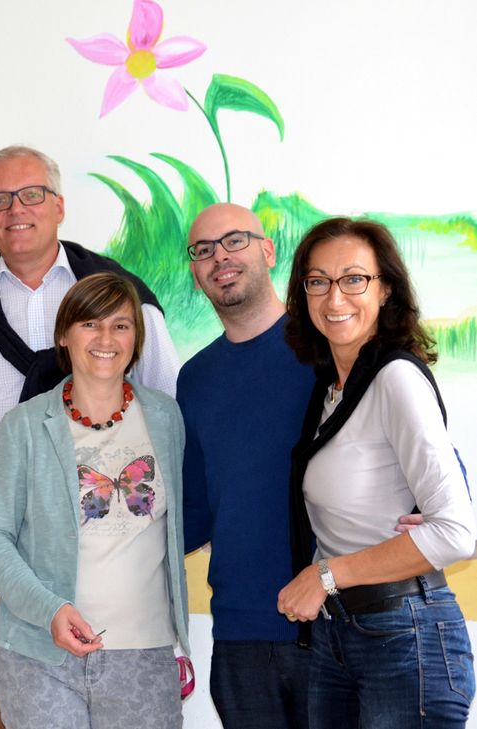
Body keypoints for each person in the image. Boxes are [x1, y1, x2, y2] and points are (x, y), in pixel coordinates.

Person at [0, 144, 179, 729]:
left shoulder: (121, 294)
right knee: (1, 695)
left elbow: (168, 408)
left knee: (119, 694)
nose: (16, 210)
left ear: (59, 205)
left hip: (112, 532)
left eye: (31, 194)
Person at [278, 217, 476, 728]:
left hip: (406, 636)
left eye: (353, 279)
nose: (334, 297)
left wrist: (324, 575)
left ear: (385, 289)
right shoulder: (331, 391)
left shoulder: (395, 378)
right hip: (339, 634)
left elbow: (458, 531)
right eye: (317, 281)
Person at [0, 272, 190, 729]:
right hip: (39, 656)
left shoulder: (166, 418)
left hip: (143, 655)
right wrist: (49, 610)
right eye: (90, 323)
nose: (106, 337)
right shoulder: (24, 426)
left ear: (137, 339)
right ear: (64, 336)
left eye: (121, 325)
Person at [177, 203, 316, 729]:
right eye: (204, 250)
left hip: (331, 627)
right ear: (195, 272)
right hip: (239, 634)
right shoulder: (195, 378)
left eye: (234, 241)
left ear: (268, 250)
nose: (220, 258)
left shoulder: (327, 350)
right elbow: (192, 512)